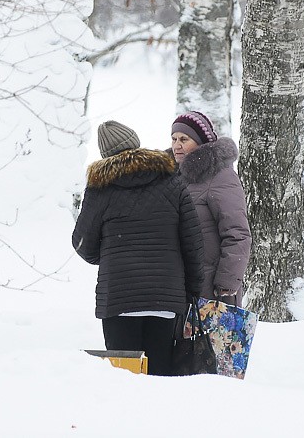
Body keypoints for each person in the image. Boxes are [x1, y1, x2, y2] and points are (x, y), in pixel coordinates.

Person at [72, 120, 203, 376]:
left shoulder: (100, 189)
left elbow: (82, 243)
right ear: (135, 142)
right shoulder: (172, 181)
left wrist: (110, 255)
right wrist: (192, 291)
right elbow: (193, 243)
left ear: (105, 153)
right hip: (166, 296)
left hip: (120, 297)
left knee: (124, 376)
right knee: (161, 372)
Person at [170, 112, 251, 307]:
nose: (176, 145)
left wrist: (226, 283)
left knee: (207, 339)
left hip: (212, 289)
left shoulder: (220, 176)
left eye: (184, 139)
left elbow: (237, 233)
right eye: (173, 139)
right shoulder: (173, 176)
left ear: (200, 141)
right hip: (179, 286)